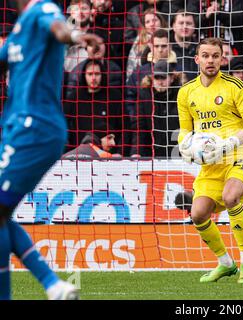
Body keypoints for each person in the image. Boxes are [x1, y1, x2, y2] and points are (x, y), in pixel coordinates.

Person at [0, 0, 102, 300]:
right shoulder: (18, 32)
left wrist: (76, 37)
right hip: (18, 129)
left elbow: (58, 29)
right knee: (2, 213)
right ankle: (54, 286)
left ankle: (48, 284)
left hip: (35, 128)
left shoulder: (41, 8)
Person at [177, 37, 243, 284]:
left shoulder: (236, 87)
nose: (211, 60)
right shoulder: (186, 93)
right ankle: (226, 263)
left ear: (222, 58)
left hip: (239, 154)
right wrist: (185, 146)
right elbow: (184, 130)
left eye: (216, 56)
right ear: (197, 59)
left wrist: (229, 143)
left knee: (230, 196)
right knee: (198, 213)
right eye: (206, 55)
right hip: (209, 162)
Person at [128, 59, 180, 158]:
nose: (160, 82)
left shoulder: (181, 95)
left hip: (177, 153)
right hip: (151, 154)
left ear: (172, 78)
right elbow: (139, 127)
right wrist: (136, 151)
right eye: (156, 78)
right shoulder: (144, 95)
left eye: (163, 78)